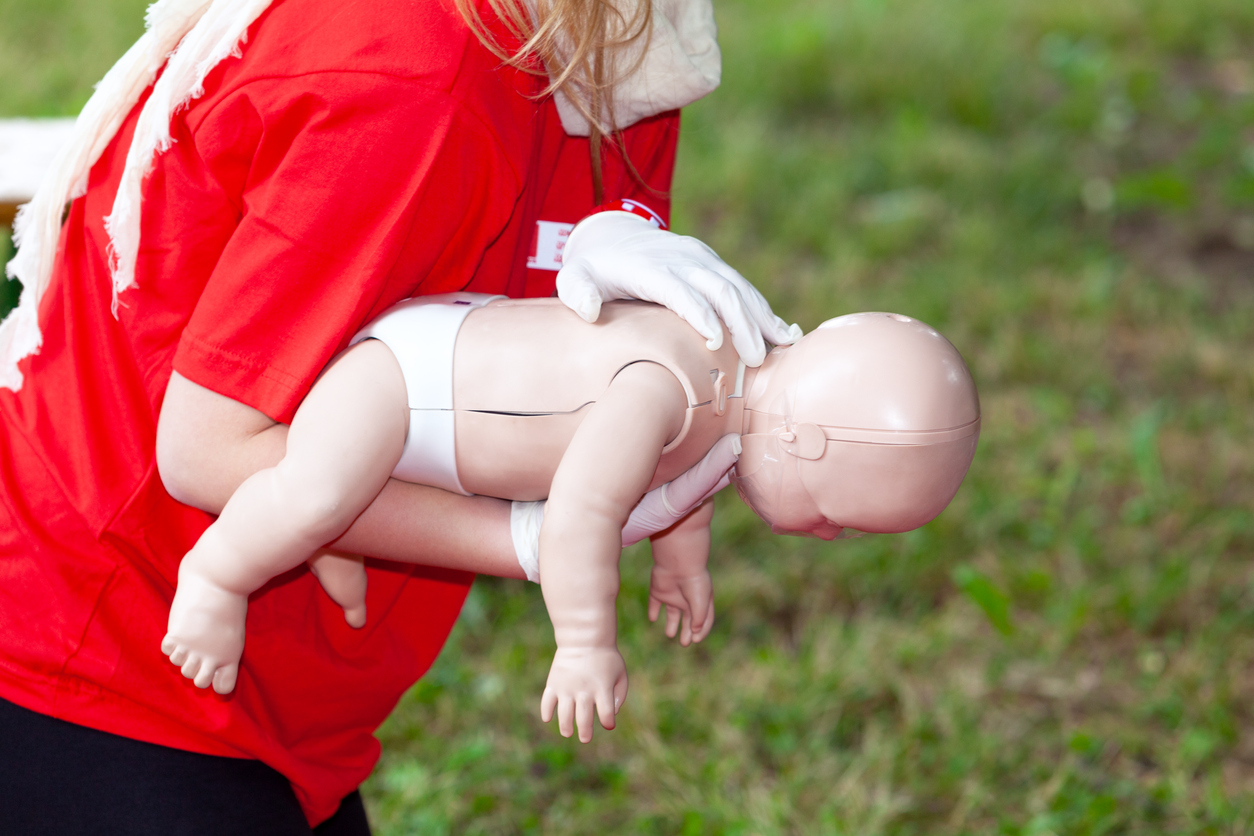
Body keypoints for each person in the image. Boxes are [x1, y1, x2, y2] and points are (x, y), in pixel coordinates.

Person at [0, 0, 799, 832]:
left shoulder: (624, 47)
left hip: (284, 700)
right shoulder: (414, 77)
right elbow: (208, 449)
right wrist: (532, 541)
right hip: (105, 654)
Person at [160, 292, 981, 744]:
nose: (826, 535)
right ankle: (218, 576)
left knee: (335, 506)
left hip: (448, 419)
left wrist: (680, 560)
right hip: (401, 387)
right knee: (313, 493)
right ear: (807, 438)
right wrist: (586, 641)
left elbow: (690, 477)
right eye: (836, 518)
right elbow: (582, 512)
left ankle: (327, 540)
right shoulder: (669, 389)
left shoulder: (733, 393)